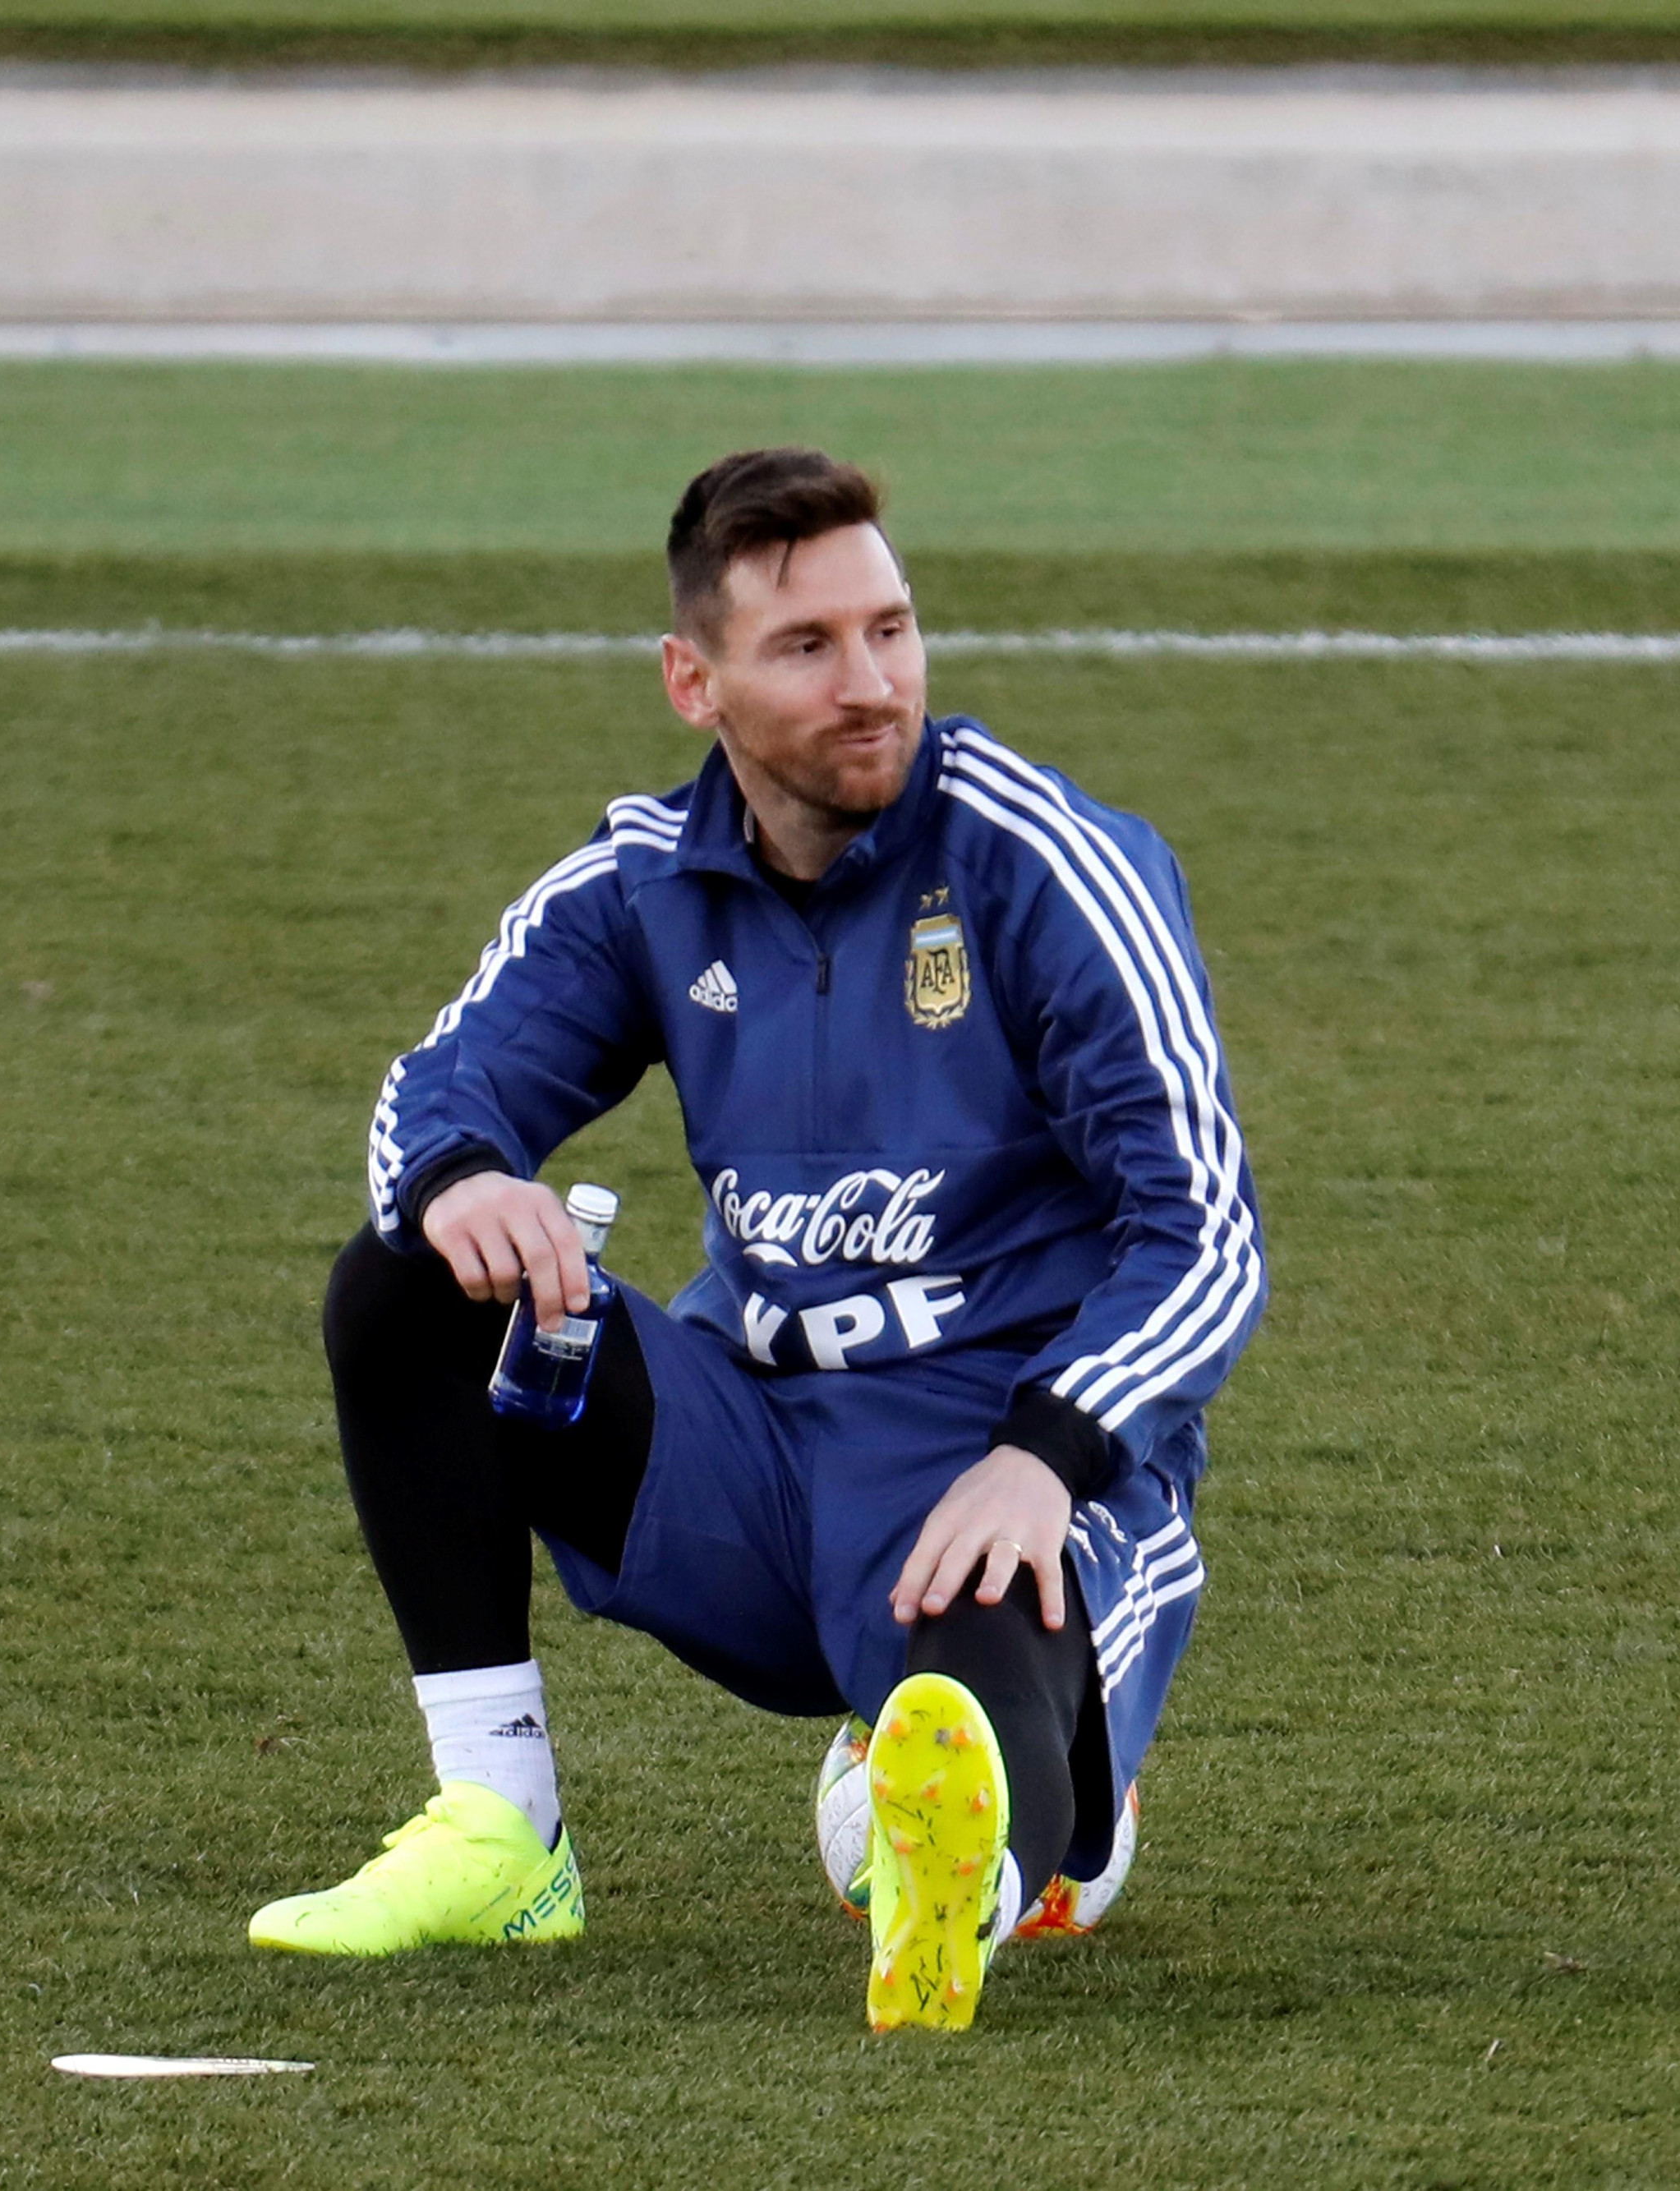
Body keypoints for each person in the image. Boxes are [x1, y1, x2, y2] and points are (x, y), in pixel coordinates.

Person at [248, 448, 1264, 2033]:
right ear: (693, 680)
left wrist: (1047, 1451)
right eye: (807, 646)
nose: (871, 683)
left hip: (985, 1457)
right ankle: (504, 1832)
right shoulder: (645, 879)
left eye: (893, 629)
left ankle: (985, 1869)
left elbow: (1202, 1231)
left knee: (985, 1650)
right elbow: (434, 1093)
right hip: (749, 1455)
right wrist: (462, 1182)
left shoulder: (1043, 863)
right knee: (405, 1283)